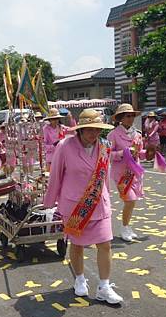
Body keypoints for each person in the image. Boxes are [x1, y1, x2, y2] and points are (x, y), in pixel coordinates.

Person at [44, 109, 123, 304]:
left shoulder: (105, 146)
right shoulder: (65, 146)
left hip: (99, 203)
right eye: (89, 129)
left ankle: (104, 286)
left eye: (97, 129)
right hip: (74, 205)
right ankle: (79, 279)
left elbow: (104, 176)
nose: (94, 134)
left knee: (105, 244)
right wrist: (49, 205)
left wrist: (107, 198)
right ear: (80, 129)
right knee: (77, 245)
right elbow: (56, 177)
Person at [107, 104, 145, 243]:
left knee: (132, 201)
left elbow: (139, 153)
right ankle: (124, 228)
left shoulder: (137, 134)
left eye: (132, 115)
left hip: (134, 173)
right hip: (121, 174)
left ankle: (127, 226)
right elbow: (107, 155)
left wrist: (150, 153)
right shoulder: (113, 134)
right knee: (129, 200)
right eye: (127, 116)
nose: (130, 118)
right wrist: (123, 153)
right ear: (120, 118)